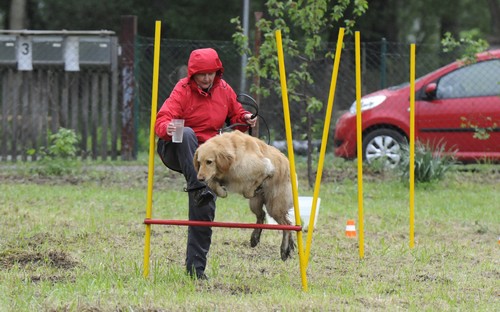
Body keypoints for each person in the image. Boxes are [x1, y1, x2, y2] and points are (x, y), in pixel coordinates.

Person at [154, 48, 257, 280]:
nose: (207, 78)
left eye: (211, 73)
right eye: (202, 74)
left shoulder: (224, 89)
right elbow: (162, 119)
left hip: (206, 161)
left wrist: (245, 118)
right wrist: (167, 128)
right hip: (178, 149)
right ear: (192, 75)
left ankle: (196, 271)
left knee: (203, 208)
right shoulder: (181, 90)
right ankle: (201, 188)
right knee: (187, 132)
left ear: (217, 72)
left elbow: (237, 114)